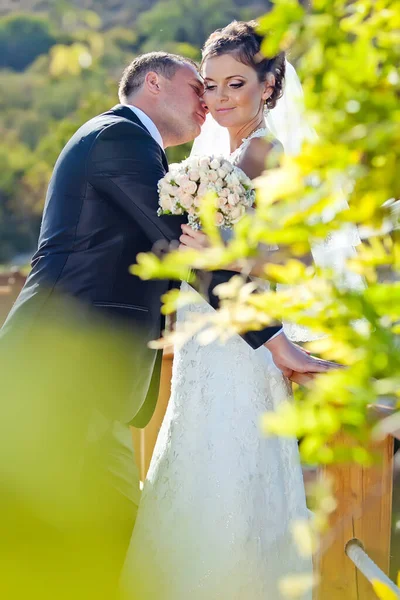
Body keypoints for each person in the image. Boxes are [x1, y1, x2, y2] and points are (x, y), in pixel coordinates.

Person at [0, 50, 331, 598]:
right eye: (197, 88)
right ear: (154, 83)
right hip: (58, 373)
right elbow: (181, 247)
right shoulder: (119, 139)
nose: (207, 102)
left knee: (116, 544)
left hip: (89, 382)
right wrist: (274, 342)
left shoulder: (133, 146)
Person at [121, 22, 324, 600]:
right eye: (209, 85)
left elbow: (296, 261)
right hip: (206, 343)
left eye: (236, 82)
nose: (220, 97)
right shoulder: (224, 154)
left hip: (242, 350)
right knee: (195, 467)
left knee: (233, 478)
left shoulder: (269, 152)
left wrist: (227, 251)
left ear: (269, 84)